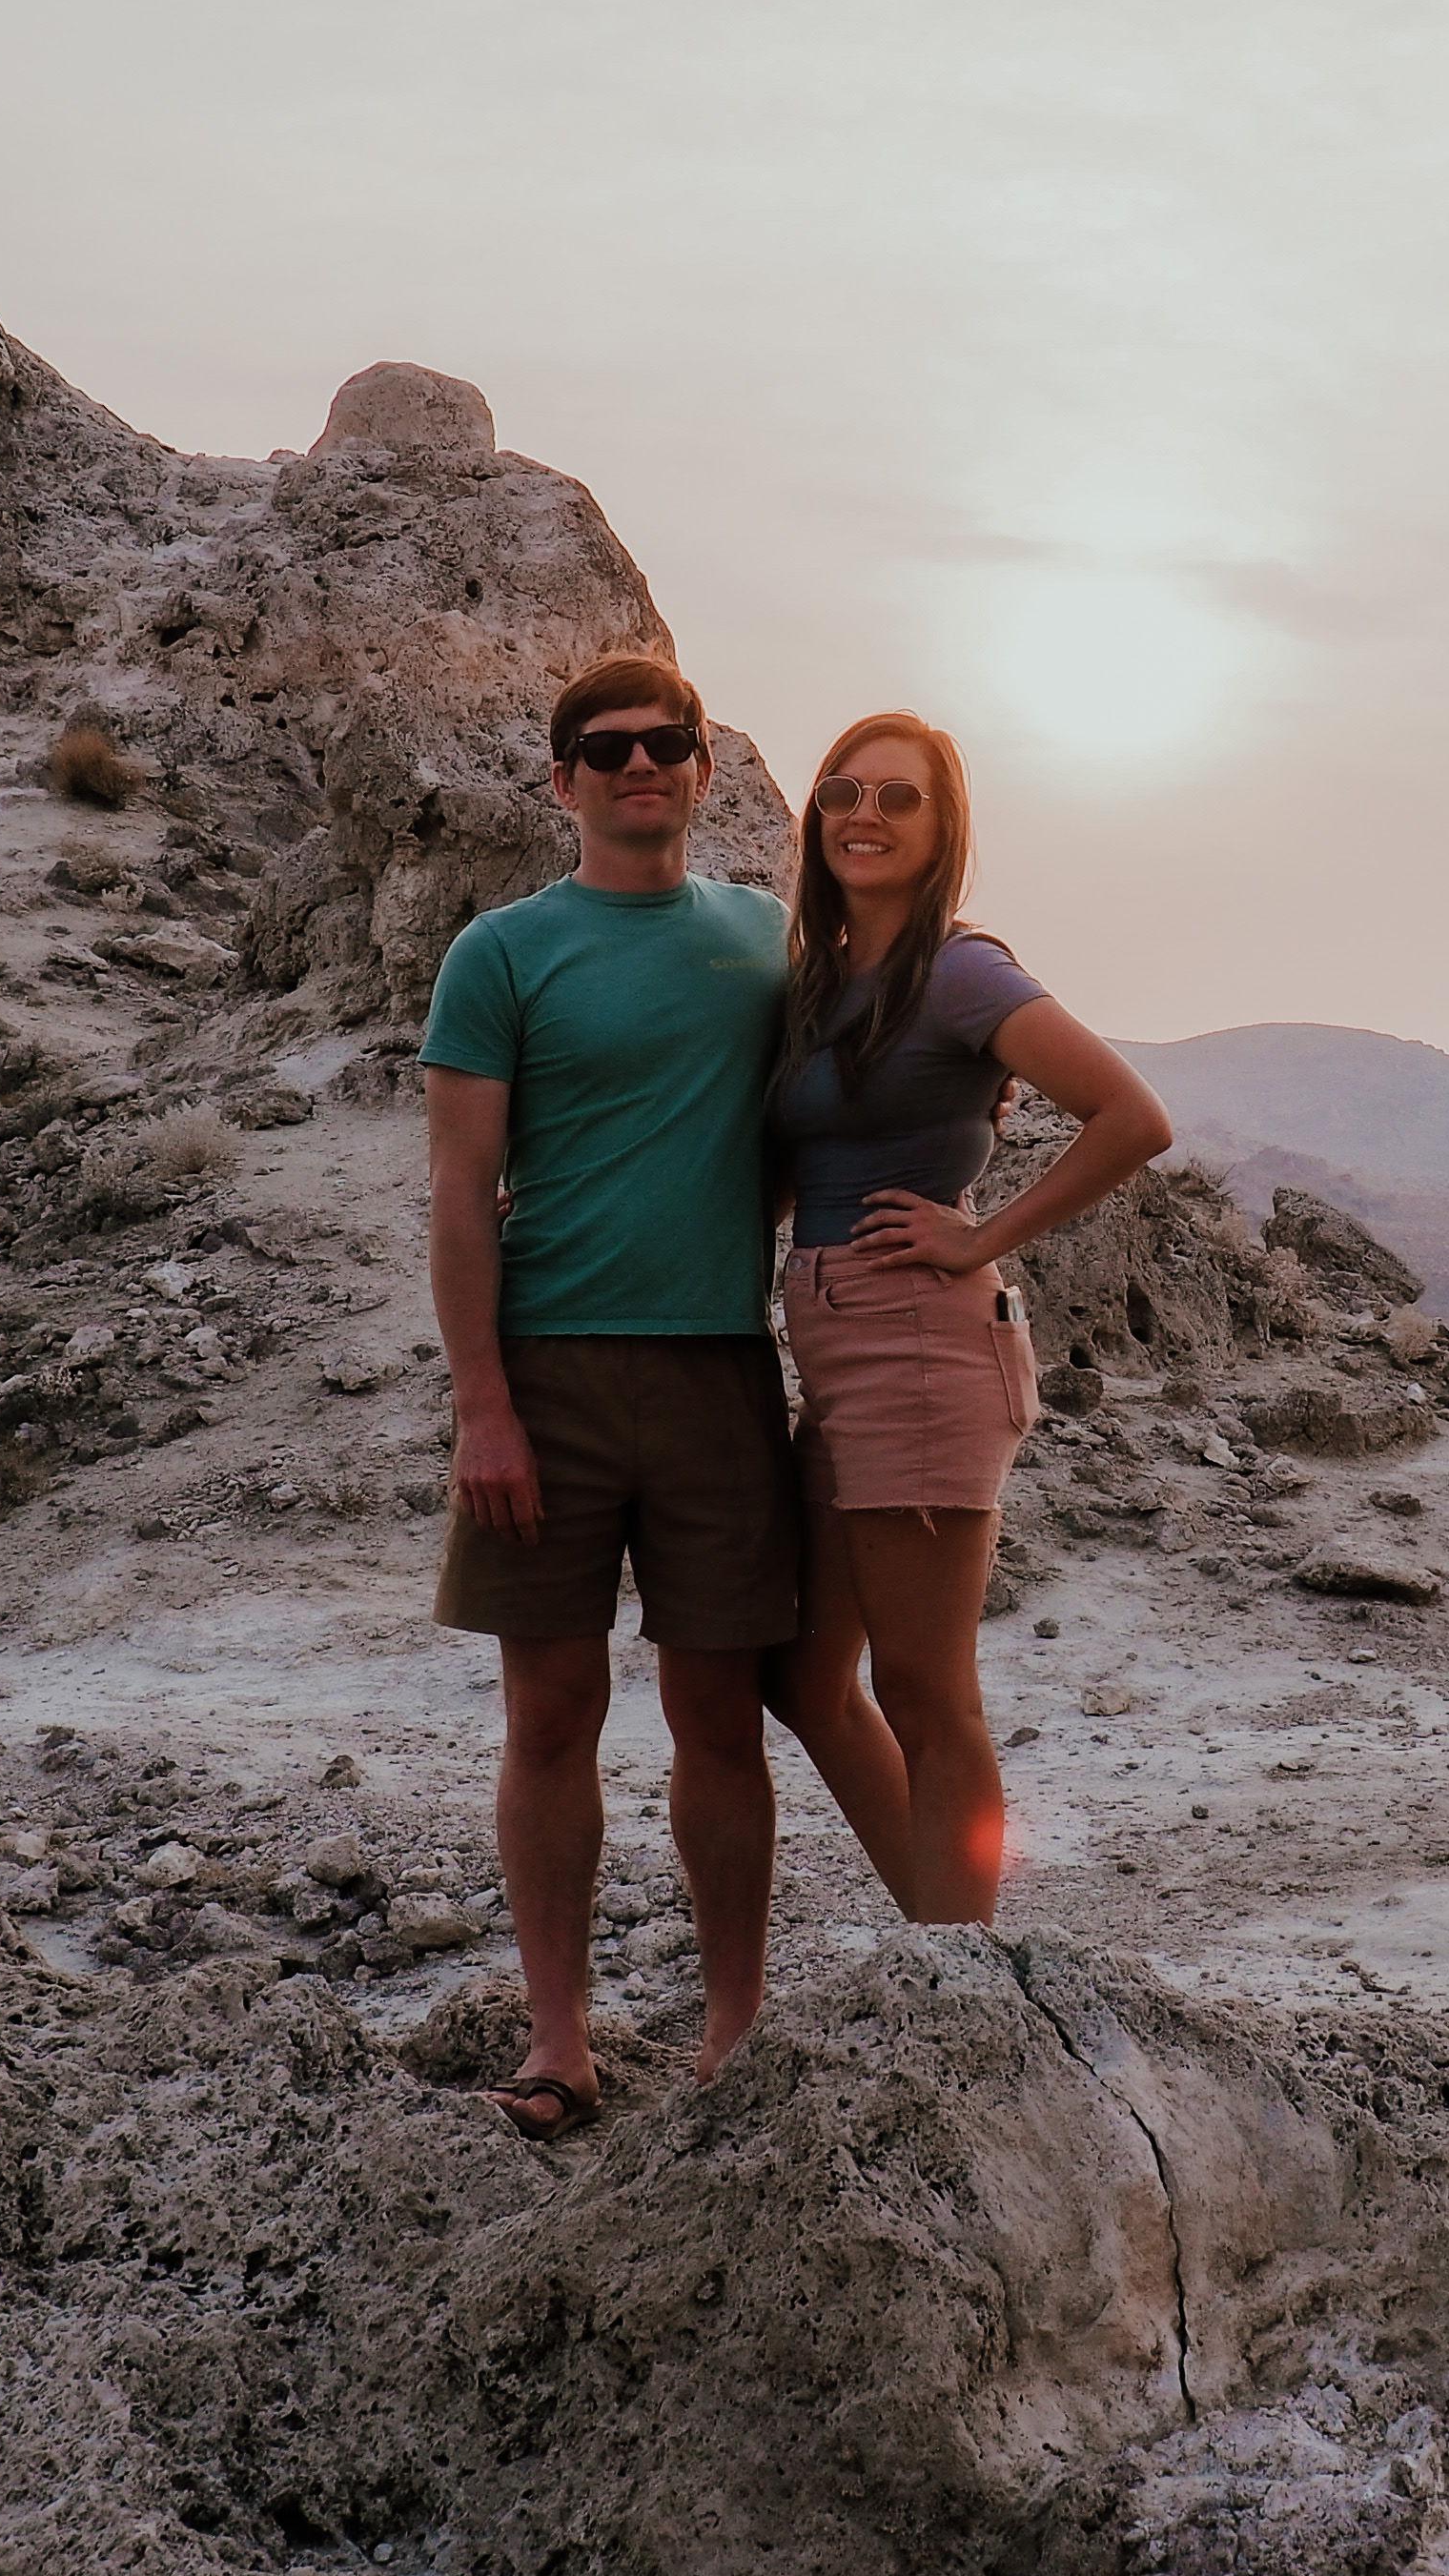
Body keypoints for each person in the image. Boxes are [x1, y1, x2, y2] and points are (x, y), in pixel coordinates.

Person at [420, 652, 794, 2141]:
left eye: (669, 743)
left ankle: (734, 2027)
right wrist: (481, 1407)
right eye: (608, 747)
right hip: (551, 1372)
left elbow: (888, 1024)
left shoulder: (768, 939)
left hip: (720, 1370)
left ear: (707, 769)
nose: (641, 766)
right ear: (563, 779)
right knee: (551, 1710)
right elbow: (457, 1192)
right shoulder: (501, 954)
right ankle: (560, 2040)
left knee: (722, 1713)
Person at [763, 711, 1173, 1924]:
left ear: (944, 830)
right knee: (804, 1677)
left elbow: (1131, 1116)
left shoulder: (962, 969)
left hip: (922, 1341)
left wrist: (978, 1233)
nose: (864, 816)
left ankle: (965, 1974)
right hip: (831, 1339)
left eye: (900, 797)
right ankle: (950, 1944)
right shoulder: (820, 982)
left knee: (925, 1689)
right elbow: (791, 1166)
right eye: (843, 792)